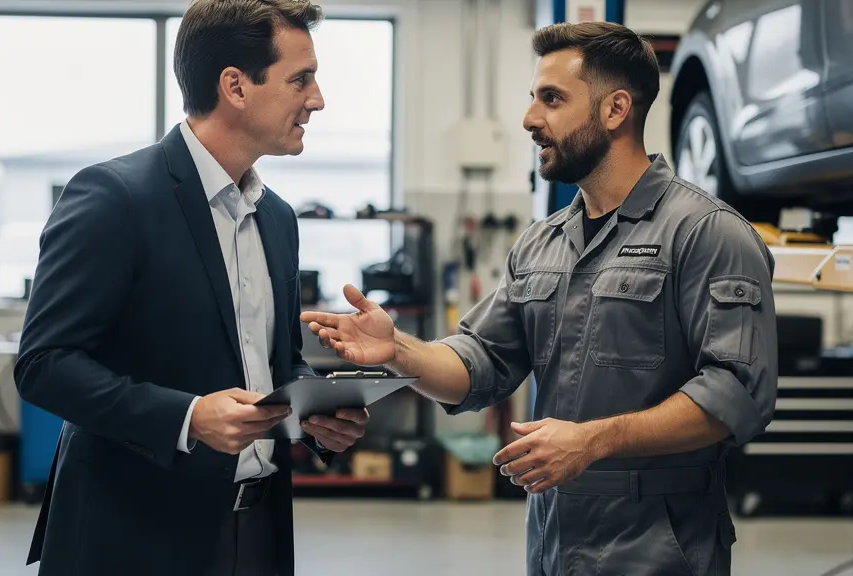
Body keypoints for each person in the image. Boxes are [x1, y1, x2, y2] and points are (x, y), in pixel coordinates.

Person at [302, 21, 778, 576]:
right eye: (533, 97)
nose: (530, 119)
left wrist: (593, 442)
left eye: (551, 99)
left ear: (615, 110)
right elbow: (482, 362)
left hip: (660, 549)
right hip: (553, 543)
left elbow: (737, 392)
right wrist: (400, 352)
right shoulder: (542, 242)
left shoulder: (705, 233)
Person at [14, 2, 369, 575]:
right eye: (300, 79)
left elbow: (276, 364)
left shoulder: (276, 218)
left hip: (257, 530)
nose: (317, 99)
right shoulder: (114, 198)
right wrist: (188, 417)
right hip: (134, 538)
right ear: (235, 86)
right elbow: (44, 364)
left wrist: (314, 412)